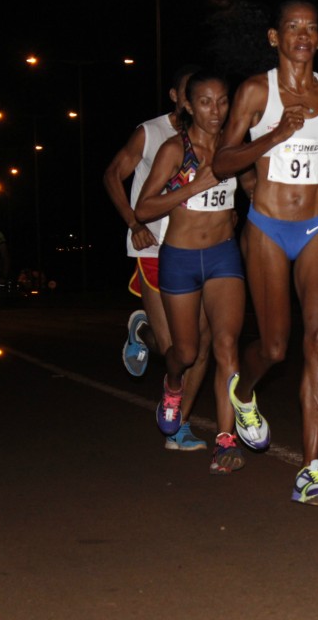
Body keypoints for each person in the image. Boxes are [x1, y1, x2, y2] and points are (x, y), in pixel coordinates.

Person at [213, 0, 318, 506]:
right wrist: (277, 134)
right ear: (275, 38)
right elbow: (222, 162)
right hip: (267, 229)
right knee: (276, 347)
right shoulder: (257, 91)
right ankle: (243, 392)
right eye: (293, 27)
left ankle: (311, 470)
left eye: (312, 28)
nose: (303, 34)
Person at [135, 70, 257, 473]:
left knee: (225, 346)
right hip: (180, 259)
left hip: (223, 257)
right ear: (188, 104)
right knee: (185, 353)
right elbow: (144, 209)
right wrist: (192, 186)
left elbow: (254, 185)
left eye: (223, 102)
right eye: (205, 102)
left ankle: (226, 440)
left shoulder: (233, 146)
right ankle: (172, 389)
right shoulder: (174, 149)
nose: (216, 111)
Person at [102, 64, 215, 452]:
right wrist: (134, 222)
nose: (198, 102)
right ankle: (143, 330)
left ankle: (179, 424)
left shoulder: (213, 134)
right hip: (153, 246)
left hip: (198, 248)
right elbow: (113, 174)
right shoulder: (151, 133)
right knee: (175, 352)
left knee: (202, 343)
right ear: (177, 97)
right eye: (191, 94)